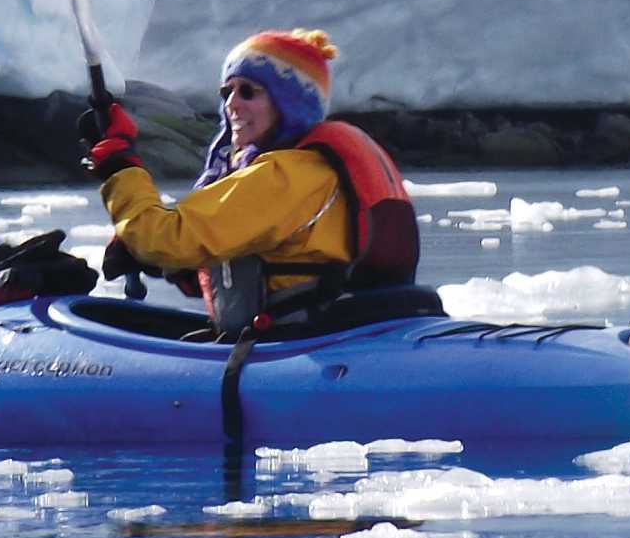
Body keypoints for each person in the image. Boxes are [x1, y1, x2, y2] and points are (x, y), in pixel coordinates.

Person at [85, 29, 420, 332]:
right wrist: (173, 267)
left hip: (295, 346)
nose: (232, 104)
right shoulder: (310, 169)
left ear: (289, 103)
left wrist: (120, 166)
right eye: (227, 91)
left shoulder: (288, 175)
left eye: (249, 91)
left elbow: (165, 239)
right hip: (332, 337)